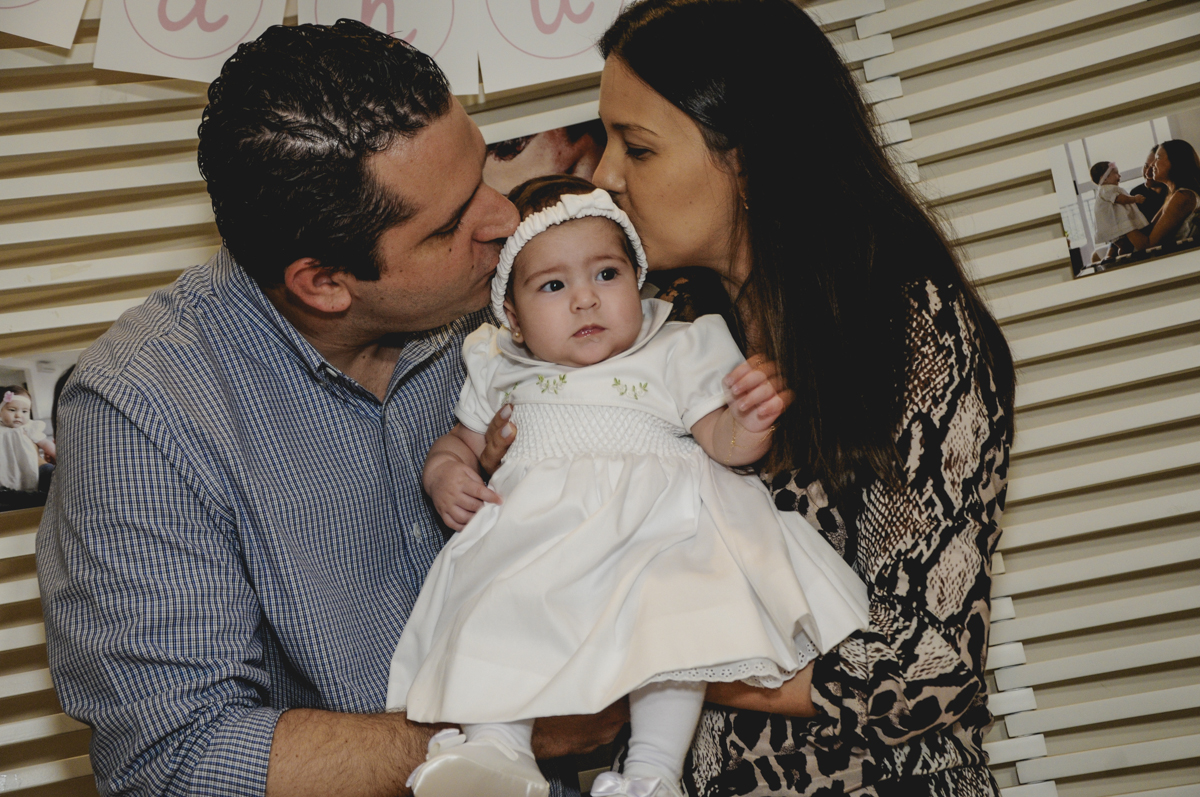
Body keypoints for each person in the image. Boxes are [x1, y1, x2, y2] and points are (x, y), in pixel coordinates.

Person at [36, 21, 623, 797]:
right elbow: (175, 761)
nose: (504, 220)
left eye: (483, 170)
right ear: (324, 283)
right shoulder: (142, 416)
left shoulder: (519, 290)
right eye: (450, 224)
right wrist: (502, 728)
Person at [580, 1, 1016, 794]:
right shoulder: (655, 334)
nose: (604, 175)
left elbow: (925, 663)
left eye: (636, 147)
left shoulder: (906, 328)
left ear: (746, 157)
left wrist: (656, 661)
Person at [387, 177, 869, 797]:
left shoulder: (677, 348)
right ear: (512, 315)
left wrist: (749, 421)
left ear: (639, 284)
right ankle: (499, 754)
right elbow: (460, 441)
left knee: (672, 639)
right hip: (534, 542)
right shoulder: (499, 365)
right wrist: (447, 471)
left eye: (607, 275)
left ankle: (650, 773)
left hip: (653, 539)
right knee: (493, 617)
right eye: (553, 286)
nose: (585, 300)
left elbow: (722, 445)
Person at [1127, 139, 1200, 252]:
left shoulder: (1183, 196)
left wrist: (1121, 220)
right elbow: (1150, 230)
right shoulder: (1172, 194)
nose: (1153, 164)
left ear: (1175, 161)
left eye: (1158, 158)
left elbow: (1148, 245)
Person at [1089, 161, 1148, 262]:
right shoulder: (1106, 189)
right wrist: (1134, 199)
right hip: (1114, 226)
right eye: (1116, 173)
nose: (1119, 175)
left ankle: (1122, 256)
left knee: (1126, 246)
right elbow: (1119, 199)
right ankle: (1122, 258)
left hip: (1116, 225)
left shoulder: (1109, 188)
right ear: (1105, 178)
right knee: (1124, 245)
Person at [1, 385, 54, 493]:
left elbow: (45, 444)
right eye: (12, 410)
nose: (18, 415)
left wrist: (60, 456)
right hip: (6, 472)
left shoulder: (29, 428)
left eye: (24, 411)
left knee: (51, 473)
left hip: (34, 467)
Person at [1130, 145, 1167, 223]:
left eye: (1154, 168)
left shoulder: (1175, 192)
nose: (1147, 173)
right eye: (1146, 166)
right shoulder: (1135, 194)